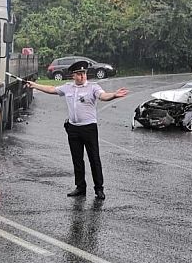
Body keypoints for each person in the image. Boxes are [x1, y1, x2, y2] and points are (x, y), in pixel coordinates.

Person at [26, 60, 128, 200]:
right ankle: (80, 187)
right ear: (73, 75)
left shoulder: (93, 87)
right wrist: (34, 85)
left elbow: (103, 96)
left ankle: (99, 189)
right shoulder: (68, 88)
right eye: (79, 74)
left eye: (84, 73)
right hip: (73, 128)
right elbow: (51, 89)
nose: (82, 76)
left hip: (89, 128)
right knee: (77, 159)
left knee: (94, 159)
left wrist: (114, 95)